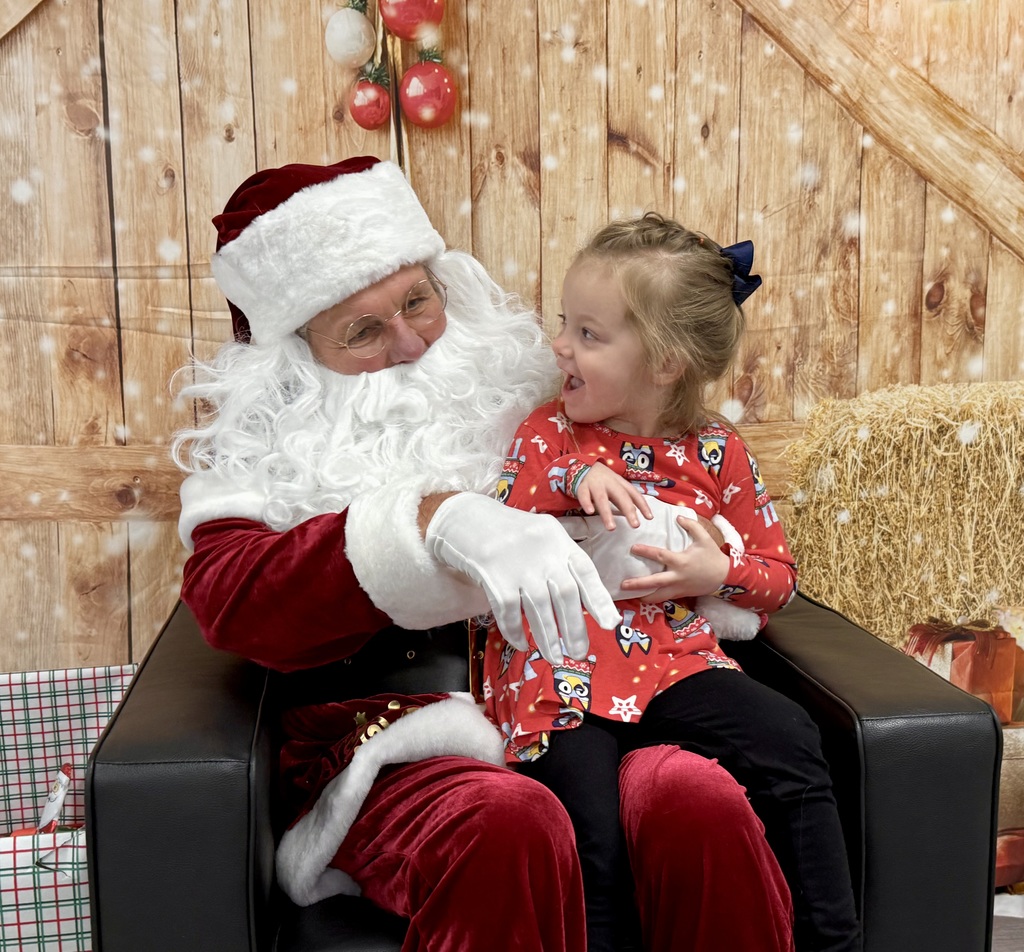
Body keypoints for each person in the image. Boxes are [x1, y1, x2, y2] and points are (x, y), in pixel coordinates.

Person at [172, 156, 795, 952]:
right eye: (364, 330)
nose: (411, 345)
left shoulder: (545, 392)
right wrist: (436, 520)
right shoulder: (268, 452)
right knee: (509, 823)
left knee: (694, 800)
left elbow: (689, 485)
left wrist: (690, 551)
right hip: (405, 739)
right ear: (296, 350)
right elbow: (235, 601)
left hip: (595, 700)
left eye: (417, 301)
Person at [483, 212, 860, 952]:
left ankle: (834, 943)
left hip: (672, 661)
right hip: (562, 669)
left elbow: (777, 580)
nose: (560, 344)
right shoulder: (549, 432)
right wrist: (575, 473)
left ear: (664, 362)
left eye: (589, 335)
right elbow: (494, 516)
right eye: (566, 324)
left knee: (789, 735)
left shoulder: (717, 451)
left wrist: (718, 572)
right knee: (586, 828)